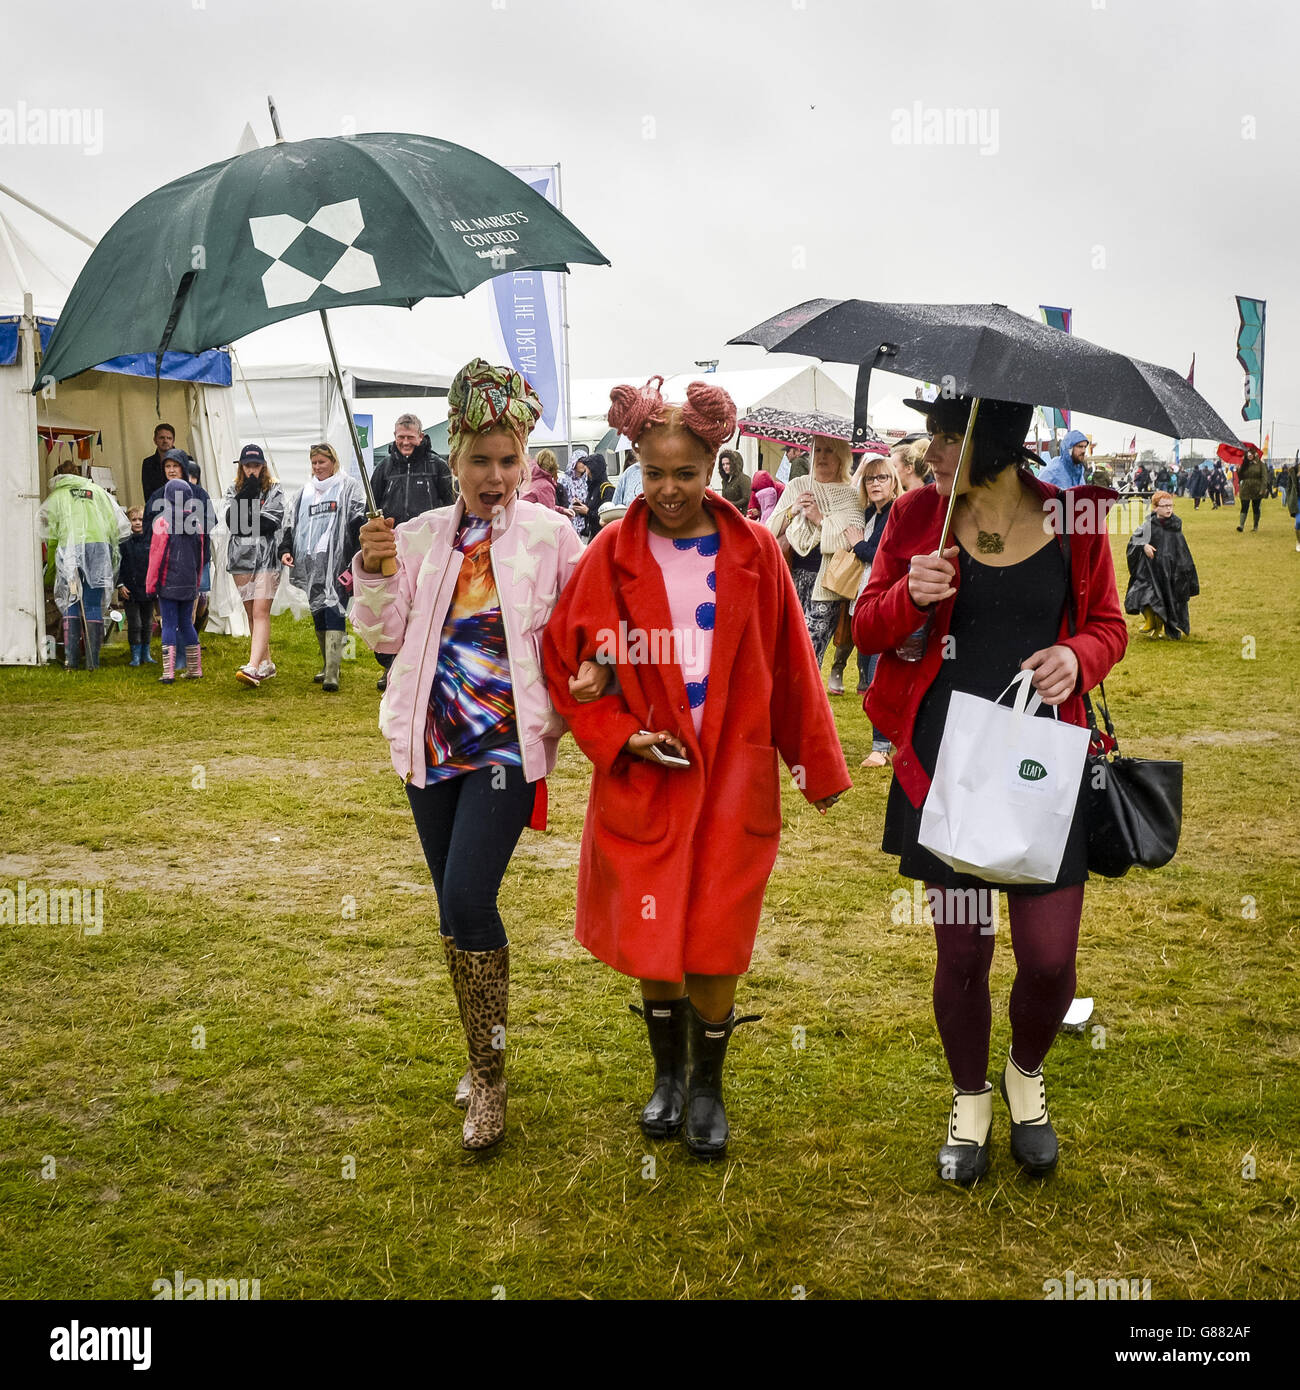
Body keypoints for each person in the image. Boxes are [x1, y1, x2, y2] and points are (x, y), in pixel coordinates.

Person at [542, 374, 851, 1160]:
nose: (670, 490)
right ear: (634, 467)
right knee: (653, 937)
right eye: (654, 474)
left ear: (716, 465)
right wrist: (616, 734)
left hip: (732, 777)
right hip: (650, 776)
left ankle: (709, 1085)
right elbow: (565, 660)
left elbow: (791, 664)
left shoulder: (753, 550)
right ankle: (668, 1077)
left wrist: (815, 764)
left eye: (686, 473)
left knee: (716, 935)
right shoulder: (610, 553)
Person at [853, 393, 1127, 1185]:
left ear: (995, 444)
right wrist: (912, 592)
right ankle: (971, 1097)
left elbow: (1110, 623)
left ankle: (1024, 1076)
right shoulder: (914, 518)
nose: (930, 451)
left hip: (1044, 765)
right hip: (947, 767)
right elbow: (864, 627)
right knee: (964, 951)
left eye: (945, 437)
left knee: (1048, 959)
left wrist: (1080, 654)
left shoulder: (1073, 520)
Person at [350, 359, 593, 1152]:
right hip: (429, 748)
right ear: (454, 460)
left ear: (526, 461)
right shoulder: (420, 536)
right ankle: (476, 1055)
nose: (495, 475)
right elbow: (382, 637)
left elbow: (587, 625)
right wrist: (377, 572)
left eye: (508, 459)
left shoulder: (554, 537)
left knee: (468, 898)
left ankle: (488, 1080)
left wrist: (594, 669)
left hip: (505, 754)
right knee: (450, 911)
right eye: (480, 460)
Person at [369, 415, 456, 692]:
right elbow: (371, 507)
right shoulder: (383, 468)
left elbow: (451, 507)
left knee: (426, 608)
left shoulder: (437, 466)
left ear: (420, 437)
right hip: (394, 552)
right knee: (395, 608)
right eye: (400, 437)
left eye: (410, 437)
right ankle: (391, 667)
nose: (405, 442)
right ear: (395, 436)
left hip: (429, 553)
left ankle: (428, 664)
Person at [765, 433, 866, 665]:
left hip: (827, 585)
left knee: (809, 653)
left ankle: (806, 698)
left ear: (841, 456)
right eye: (817, 450)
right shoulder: (798, 485)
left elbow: (851, 541)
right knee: (786, 645)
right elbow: (769, 532)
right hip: (792, 578)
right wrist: (793, 509)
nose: (822, 456)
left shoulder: (851, 495)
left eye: (829, 450)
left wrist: (820, 519)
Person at [833, 455, 902, 767]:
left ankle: (880, 747)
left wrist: (859, 546)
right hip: (866, 602)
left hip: (888, 603)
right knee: (868, 673)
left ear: (894, 481)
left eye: (882, 478)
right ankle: (892, 740)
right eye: (870, 479)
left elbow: (886, 556)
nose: (875, 484)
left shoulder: (895, 513)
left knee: (878, 674)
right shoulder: (870, 513)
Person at [280, 443, 367, 692]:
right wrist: (286, 550)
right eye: (314, 463)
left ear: (333, 462)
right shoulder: (303, 493)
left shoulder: (347, 486)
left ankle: (332, 672)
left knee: (334, 609)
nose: (318, 467)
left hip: (337, 560)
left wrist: (357, 557)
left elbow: (357, 520)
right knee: (317, 611)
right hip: (310, 561)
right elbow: (290, 524)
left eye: (322, 462)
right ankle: (329, 663)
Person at [39, 462, 130, 671]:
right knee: (91, 603)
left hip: (70, 550)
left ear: (57, 478)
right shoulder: (97, 491)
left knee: (71, 599)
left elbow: (52, 538)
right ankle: (93, 660)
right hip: (98, 549)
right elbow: (114, 526)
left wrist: (51, 571)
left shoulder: (58, 496)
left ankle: (71, 660)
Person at [224, 444, 286, 687]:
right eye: (247, 465)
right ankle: (265, 663)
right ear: (241, 466)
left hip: (267, 558)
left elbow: (271, 522)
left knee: (261, 611)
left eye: (256, 465)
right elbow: (233, 523)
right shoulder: (233, 490)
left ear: (263, 466)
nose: (252, 470)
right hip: (240, 558)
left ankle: (252, 666)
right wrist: (247, 494)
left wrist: (246, 517)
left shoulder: (274, 490)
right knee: (251, 612)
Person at [146, 477, 208, 683]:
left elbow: (156, 556)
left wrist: (151, 584)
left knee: (169, 624)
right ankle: (194, 668)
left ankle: (168, 672)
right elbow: (200, 556)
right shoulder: (197, 524)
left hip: (168, 582)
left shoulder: (162, 523)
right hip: (189, 582)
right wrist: (196, 581)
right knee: (187, 623)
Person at [1125, 491, 1199, 640]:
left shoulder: (1175, 526)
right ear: (1155, 508)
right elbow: (1134, 540)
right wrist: (1144, 545)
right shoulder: (1148, 525)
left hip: (1171, 571)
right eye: (1164, 506)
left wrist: (1183, 570)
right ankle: (1150, 621)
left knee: (1167, 598)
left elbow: (1181, 550)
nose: (1168, 509)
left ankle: (1160, 627)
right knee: (1141, 592)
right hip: (1150, 570)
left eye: (1170, 506)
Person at [116, 507, 155, 665]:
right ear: (128, 522)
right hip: (129, 590)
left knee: (147, 623)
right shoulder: (124, 542)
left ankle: (146, 652)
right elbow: (117, 565)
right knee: (135, 623)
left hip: (148, 589)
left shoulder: (151, 540)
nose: (138, 523)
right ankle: (135, 654)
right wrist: (120, 584)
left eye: (140, 519)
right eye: (134, 520)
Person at [574, 452, 614, 540]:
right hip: (592, 535)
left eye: (587, 467)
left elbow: (607, 516)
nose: (585, 470)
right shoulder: (592, 487)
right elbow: (592, 506)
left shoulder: (607, 489)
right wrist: (581, 506)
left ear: (593, 469)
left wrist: (588, 512)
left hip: (602, 536)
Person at [141, 422, 177, 504]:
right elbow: (148, 494)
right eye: (161, 438)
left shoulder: (186, 460)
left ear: (173, 441)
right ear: (155, 440)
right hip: (158, 510)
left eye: (169, 438)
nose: (165, 441)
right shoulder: (148, 463)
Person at [1237, 443, 1267, 532]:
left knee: (1256, 507)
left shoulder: (1260, 464)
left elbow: (1264, 477)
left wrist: (1263, 489)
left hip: (1257, 489)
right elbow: (1240, 477)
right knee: (1244, 506)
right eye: (1248, 455)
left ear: (1254, 454)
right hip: (1245, 488)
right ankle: (1241, 526)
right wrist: (1238, 469)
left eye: (1251, 454)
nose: (1249, 456)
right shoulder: (1244, 464)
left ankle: (1255, 526)